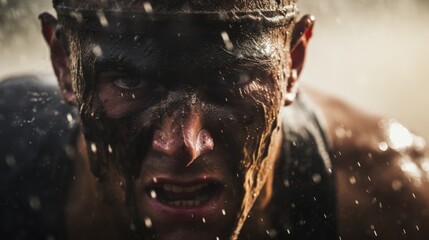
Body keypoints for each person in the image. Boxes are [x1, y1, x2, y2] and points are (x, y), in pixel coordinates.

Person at [1, 0, 428, 239]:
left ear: (292, 63)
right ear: (63, 64)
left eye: (234, 78)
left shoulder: (392, 197)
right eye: (130, 81)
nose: (183, 144)